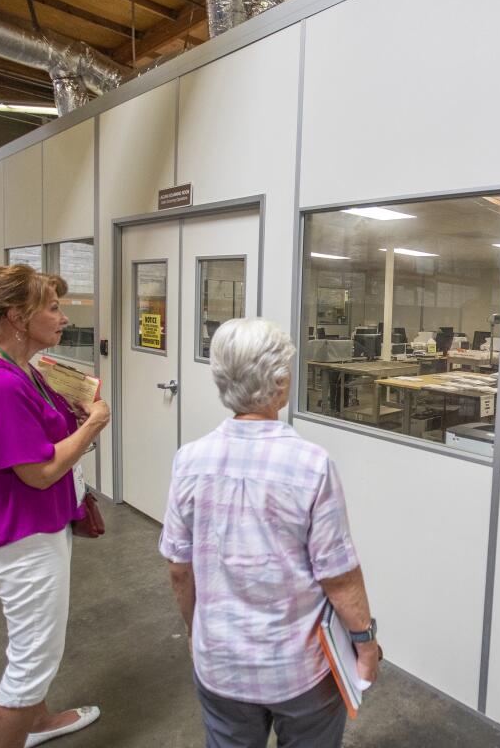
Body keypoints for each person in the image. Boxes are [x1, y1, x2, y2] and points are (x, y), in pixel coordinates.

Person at [160, 318, 380, 748]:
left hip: (220, 664)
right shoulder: (311, 464)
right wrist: (365, 642)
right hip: (299, 671)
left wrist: (196, 630)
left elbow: (179, 570)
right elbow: (339, 576)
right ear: (281, 383)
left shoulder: (190, 461)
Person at [0, 263, 111, 748]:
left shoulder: (17, 368)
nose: (63, 317)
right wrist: (93, 426)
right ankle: (21, 722)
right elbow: (39, 472)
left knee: (33, 644)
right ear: (18, 317)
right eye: (54, 307)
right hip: (22, 539)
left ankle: (38, 721)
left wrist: (74, 409)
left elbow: (36, 433)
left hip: (30, 528)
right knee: (32, 660)